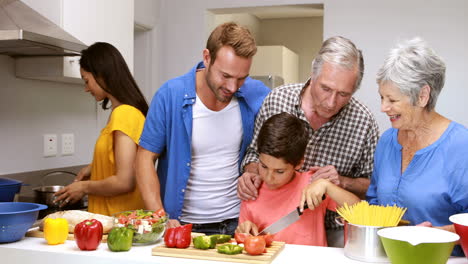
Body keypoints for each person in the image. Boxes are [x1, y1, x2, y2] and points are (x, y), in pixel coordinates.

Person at [237, 36, 379, 247]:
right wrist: (252, 175)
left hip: (339, 230)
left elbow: (372, 190)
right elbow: (253, 154)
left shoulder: (364, 121)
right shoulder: (277, 100)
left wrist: (336, 184)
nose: (331, 103)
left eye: (343, 94)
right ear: (313, 74)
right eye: (326, 89)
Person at [135, 22, 270, 236]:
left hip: (238, 224)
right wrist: (159, 216)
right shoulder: (170, 95)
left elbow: (272, 145)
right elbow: (144, 159)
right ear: (207, 57)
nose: (232, 87)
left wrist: (253, 169)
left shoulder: (257, 93)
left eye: (241, 78)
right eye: (225, 76)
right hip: (181, 227)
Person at [366, 37, 468, 256]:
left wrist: (432, 236)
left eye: (392, 100)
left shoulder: (462, 147)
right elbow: (374, 201)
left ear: (422, 96)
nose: (383, 107)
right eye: (381, 97)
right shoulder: (386, 141)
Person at [236, 113, 360, 246]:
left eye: (279, 171)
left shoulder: (313, 185)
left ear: (299, 163)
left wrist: (327, 186)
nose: (269, 177)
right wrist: (243, 231)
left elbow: (359, 211)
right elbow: (243, 240)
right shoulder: (252, 190)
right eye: (264, 166)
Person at [54, 42, 148, 216]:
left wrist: (83, 187)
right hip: (117, 224)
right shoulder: (123, 112)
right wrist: (94, 167)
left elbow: (124, 181)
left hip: (119, 225)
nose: (86, 88)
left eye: (87, 80)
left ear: (102, 75)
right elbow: (123, 159)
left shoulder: (124, 114)